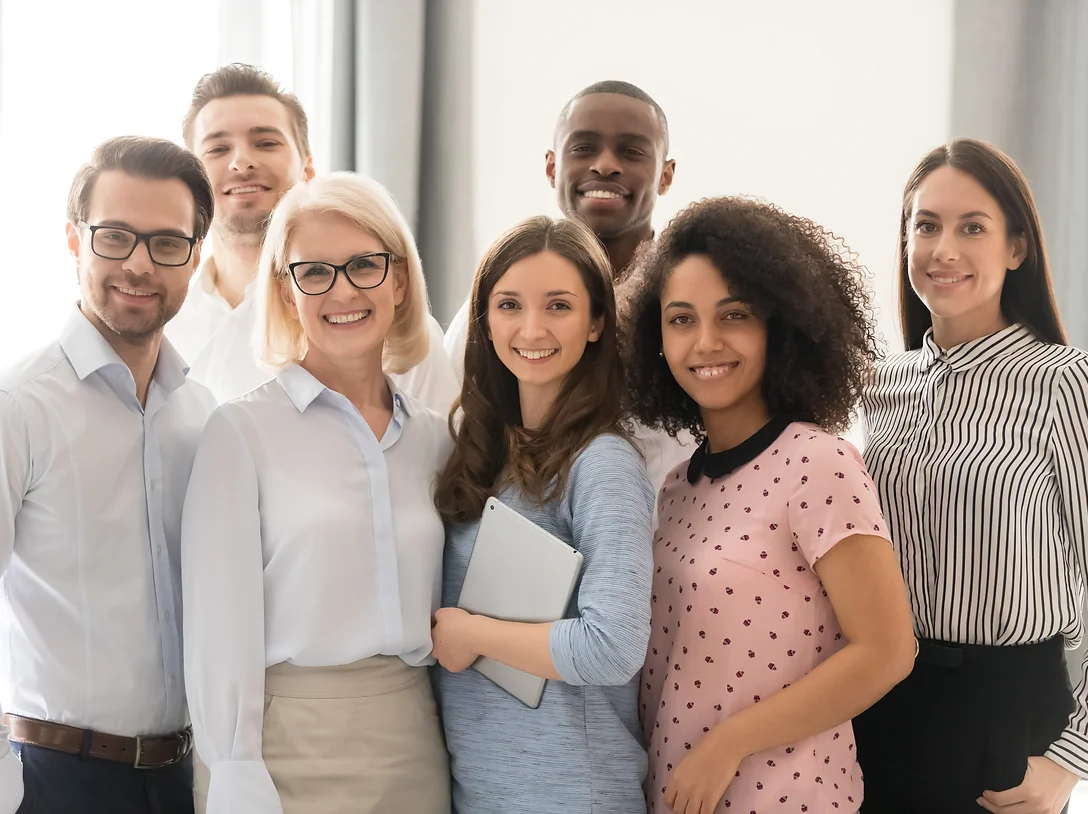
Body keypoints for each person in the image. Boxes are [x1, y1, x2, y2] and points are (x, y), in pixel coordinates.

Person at [855, 138, 1088, 814]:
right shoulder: (878, 386)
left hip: (1005, 716)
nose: (943, 248)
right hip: (879, 702)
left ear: (1016, 248)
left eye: (971, 227)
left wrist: (1076, 755)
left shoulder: (1071, 384)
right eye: (926, 225)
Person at [621, 196, 916, 813]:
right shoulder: (676, 487)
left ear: (778, 325)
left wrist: (728, 744)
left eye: (734, 315)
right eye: (681, 319)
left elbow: (887, 651)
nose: (705, 342)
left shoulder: (818, 464)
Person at [181, 172, 451, 814]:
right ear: (286, 290)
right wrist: (234, 767)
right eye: (315, 272)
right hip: (284, 748)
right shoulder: (241, 433)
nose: (343, 291)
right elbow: (218, 629)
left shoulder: (438, 441)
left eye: (364, 265)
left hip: (417, 740)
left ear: (400, 279)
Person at [0, 136, 215, 814]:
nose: (140, 265)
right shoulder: (19, 408)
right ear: (74, 240)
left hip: (184, 777)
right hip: (55, 778)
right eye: (115, 237)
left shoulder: (203, 415)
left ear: (195, 256)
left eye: (167, 243)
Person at [431, 216, 655, 813]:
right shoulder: (481, 450)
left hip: (571, 793)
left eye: (559, 305)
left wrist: (472, 634)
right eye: (509, 304)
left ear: (596, 322)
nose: (532, 328)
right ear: (483, 319)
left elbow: (614, 647)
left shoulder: (602, 463)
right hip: (482, 789)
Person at [442, 80, 689, 494]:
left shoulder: (690, 307)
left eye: (631, 151)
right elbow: (449, 429)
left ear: (665, 174)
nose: (606, 165)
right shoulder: (493, 308)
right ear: (551, 167)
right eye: (583, 148)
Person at [167, 62, 459, 412]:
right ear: (192, 183)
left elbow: (441, 457)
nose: (242, 162)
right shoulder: (164, 319)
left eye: (265, 142)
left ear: (307, 168)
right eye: (217, 149)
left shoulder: (384, 323)